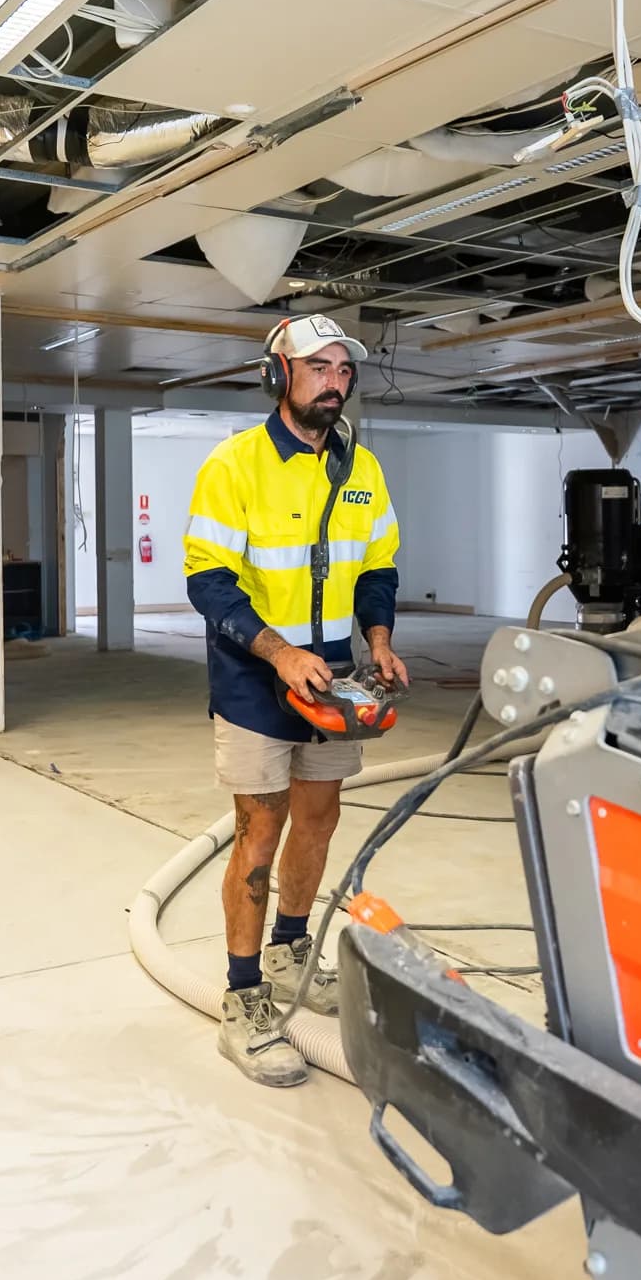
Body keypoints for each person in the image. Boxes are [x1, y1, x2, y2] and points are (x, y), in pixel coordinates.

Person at [184, 315, 407, 1087]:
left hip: (334, 674)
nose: (335, 380)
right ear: (278, 375)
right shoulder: (234, 465)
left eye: (344, 368)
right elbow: (207, 580)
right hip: (255, 676)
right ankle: (243, 998)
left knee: (319, 818)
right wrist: (279, 651)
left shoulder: (362, 470)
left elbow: (376, 565)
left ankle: (288, 951)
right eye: (318, 367)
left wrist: (377, 641)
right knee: (260, 831)